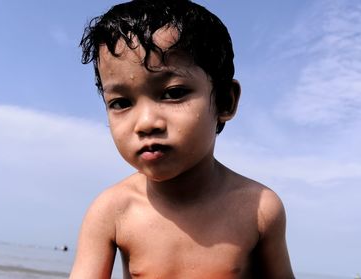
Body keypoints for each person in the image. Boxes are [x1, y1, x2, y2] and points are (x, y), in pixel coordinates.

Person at [70, 0, 294, 278]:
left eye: (173, 93)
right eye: (121, 102)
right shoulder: (112, 211)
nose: (146, 123)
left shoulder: (259, 209)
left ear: (224, 101)